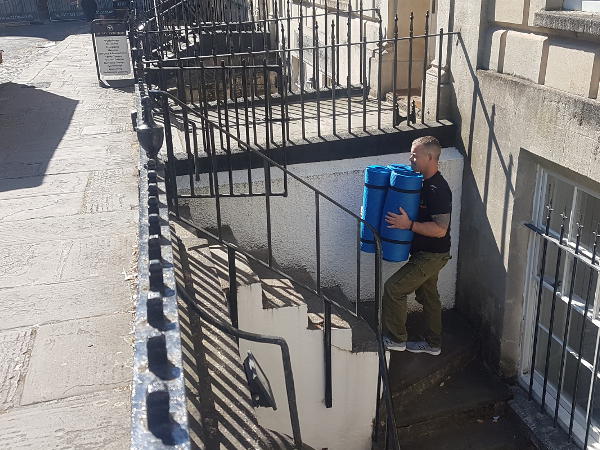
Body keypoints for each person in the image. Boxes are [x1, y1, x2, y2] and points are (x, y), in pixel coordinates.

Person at [382, 136, 452, 356]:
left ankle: (395, 339)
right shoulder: (421, 182)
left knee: (394, 289)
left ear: (430, 157)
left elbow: (441, 229)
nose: (410, 158)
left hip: (431, 256)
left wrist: (409, 225)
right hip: (426, 253)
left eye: (415, 154)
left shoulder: (438, 189)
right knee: (428, 296)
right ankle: (433, 344)